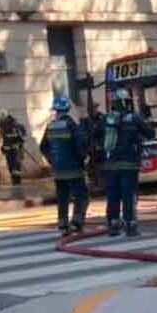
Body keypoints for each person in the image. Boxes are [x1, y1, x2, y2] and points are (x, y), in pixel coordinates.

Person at [103, 88, 155, 236]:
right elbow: (149, 134)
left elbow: (97, 139)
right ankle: (130, 224)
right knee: (128, 194)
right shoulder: (134, 118)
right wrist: (148, 122)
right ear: (127, 102)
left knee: (113, 195)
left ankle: (113, 224)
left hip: (111, 165)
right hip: (129, 163)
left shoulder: (107, 119)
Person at [40, 96, 89, 236]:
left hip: (58, 170)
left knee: (62, 197)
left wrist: (52, 161)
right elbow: (80, 146)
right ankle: (77, 223)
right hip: (73, 168)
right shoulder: (72, 125)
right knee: (82, 195)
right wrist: (83, 159)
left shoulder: (50, 126)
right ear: (67, 109)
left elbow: (43, 147)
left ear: (55, 110)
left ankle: (63, 224)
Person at [81, 103, 106, 191]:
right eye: (91, 109)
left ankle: (103, 183)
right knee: (91, 166)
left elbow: (104, 131)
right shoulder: (85, 121)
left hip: (101, 147)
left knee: (103, 166)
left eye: (95, 108)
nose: (93, 110)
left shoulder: (102, 118)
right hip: (91, 148)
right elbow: (83, 134)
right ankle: (94, 183)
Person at [0, 110, 27, 185]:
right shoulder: (1, 125)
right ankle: (14, 181)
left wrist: (17, 143)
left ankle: (17, 182)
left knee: (16, 166)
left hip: (16, 149)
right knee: (10, 166)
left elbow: (21, 138)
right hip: (8, 150)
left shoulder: (14, 125)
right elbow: (5, 138)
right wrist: (3, 147)